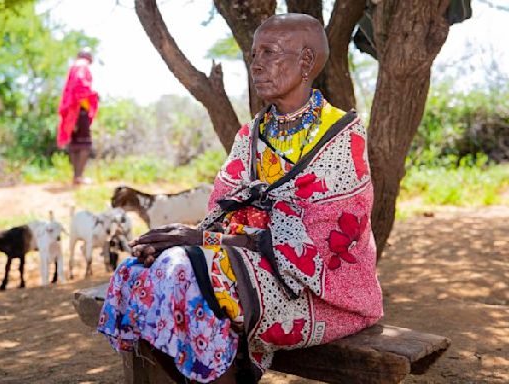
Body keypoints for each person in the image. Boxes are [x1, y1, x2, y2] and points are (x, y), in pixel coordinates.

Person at [97, 13, 383, 383]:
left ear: (306, 61)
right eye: (253, 55)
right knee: (142, 269)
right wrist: (183, 241)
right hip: (252, 265)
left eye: (270, 53)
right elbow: (221, 214)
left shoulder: (342, 136)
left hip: (322, 295)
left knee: (188, 272)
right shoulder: (251, 135)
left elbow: (314, 250)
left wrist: (201, 241)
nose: (257, 65)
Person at [57, 48, 99, 186]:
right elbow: (80, 84)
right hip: (79, 109)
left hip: (71, 111)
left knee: (75, 144)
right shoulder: (82, 65)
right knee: (85, 145)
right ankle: (79, 176)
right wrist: (92, 94)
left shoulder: (73, 66)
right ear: (88, 57)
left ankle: (76, 177)